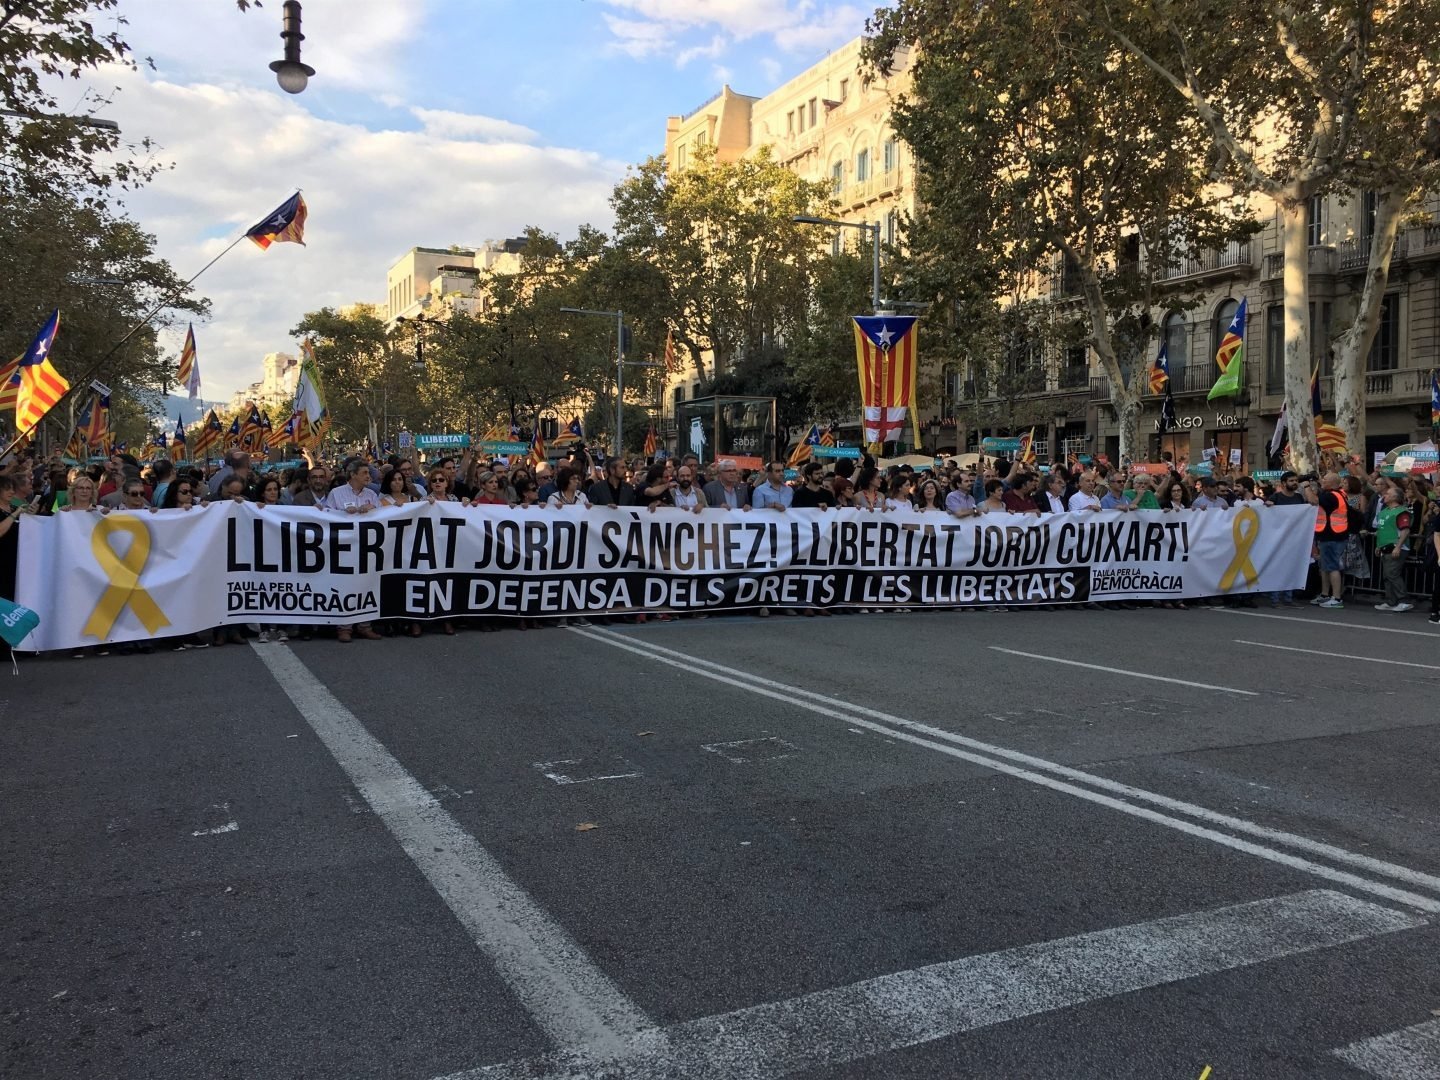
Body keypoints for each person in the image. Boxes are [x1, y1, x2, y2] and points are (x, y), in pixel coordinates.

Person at [325, 461, 383, 643]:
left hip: (367, 547)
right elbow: (326, 516)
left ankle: (365, 626)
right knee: (345, 586)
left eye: (369, 473)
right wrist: (343, 512)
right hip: (344, 547)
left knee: (366, 585)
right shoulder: (336, 493)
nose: (369, 476)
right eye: (365, 473)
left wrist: (373, 509)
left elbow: (384, 516)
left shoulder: (371, 494)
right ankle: (344, 627)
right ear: (353, 475)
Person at [1306, 472, 1349, 610]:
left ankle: (1336, 597)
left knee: (1332, 567)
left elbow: (1313, 500)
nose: (1321, 480)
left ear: (1332, 482)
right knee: (1325, 567)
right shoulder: (1339, 494)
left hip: (1332, 536)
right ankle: (1325, 594)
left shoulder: (1331, 496)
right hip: (1330, 535)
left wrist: (1306, 485)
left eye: (1324, 479)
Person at [1372, 485, 1414, 613]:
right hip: (1385, 548)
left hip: (1396, 547)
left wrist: (1399, 547)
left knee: (1392, 574)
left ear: (1395, 497)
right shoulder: (1384, 512)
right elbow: (1382, 530)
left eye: (1388, 494)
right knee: (1387, 575)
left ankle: (1404, 601)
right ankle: (1391, 601)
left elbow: (1405, 530)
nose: (1385, 496)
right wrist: (1378, 546)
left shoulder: (1401, 512)